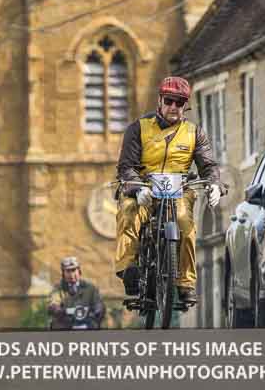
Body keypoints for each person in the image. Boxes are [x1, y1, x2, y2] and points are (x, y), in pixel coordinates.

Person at [115, 76, 225, 305]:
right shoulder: (138, 128)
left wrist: (215, 184)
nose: (174, 107)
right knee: (129, 213)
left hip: (179, 191)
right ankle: (129, 269)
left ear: (185, 105)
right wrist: (136, 188)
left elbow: (208, 165)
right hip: (144, 188)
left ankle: (185, 284)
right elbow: (126, 166)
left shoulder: (195, 133)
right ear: (160, 101)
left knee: (185, 223)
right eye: (169, 101)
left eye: (180, 102)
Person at [46, 256, 105, 330]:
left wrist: (98, 309)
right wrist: (57, 309)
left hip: (87, 322)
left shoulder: (90, 288)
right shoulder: (58, 288)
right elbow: (53, 301)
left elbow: (98, 302)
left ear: (79, 271)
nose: (71, 274)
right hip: (65, 323)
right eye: (68, 271)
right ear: (63, 273)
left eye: (73, 270)